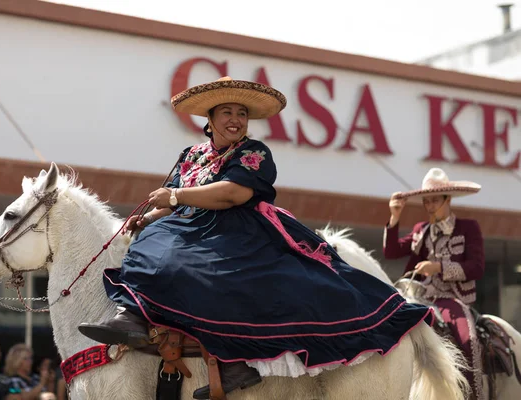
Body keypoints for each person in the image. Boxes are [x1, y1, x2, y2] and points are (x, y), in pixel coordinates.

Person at [78, 77, 434, 399]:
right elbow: (172, 198)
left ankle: (236, 362)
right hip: (187, 226)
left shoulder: (255, 152)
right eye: (228, 112)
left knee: (215, 272)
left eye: (242, 114)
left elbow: (232, 194)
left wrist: (174, 199)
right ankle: (134, 318)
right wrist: (150, 216)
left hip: (240, 228)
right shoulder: (191, 156)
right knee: (148, 243)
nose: (236, 120)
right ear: (211, 118)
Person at [383, 167, 484, 400]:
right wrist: (395, 217)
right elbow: (391, 251)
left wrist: (438, 267)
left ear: (448, 199)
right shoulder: (422, 230)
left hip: (453, 299)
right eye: (426, 201)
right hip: (422, 297)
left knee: (468, 339)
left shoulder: (468, 227)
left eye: (434, 200)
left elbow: (476, 268)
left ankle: (473, 395)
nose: (429, 206)